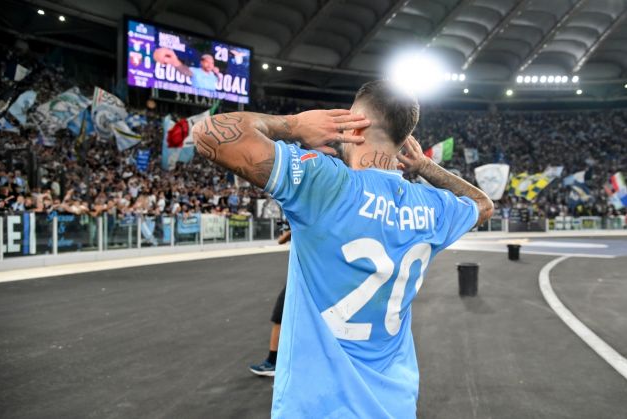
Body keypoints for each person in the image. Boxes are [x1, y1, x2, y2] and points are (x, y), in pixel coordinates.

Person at [193, 80, 493, 418]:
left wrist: (295, 125)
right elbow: (482, 204)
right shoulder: (432, 207)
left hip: (318, 407)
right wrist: (425, 166)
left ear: (355, 120)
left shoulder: (324, 183)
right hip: (394, 406)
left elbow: (207, 133)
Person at [249, 226, 292, 377]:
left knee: (279, 317)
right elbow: (281, 241)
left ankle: (273, 362)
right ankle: (273, 361)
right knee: (279, 318)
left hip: (302, 279)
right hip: (302, 279)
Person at [153, 48, 221, 90]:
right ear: (202, 62)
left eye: (212, 63)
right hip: (197, 98)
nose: (210, 65)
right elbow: (185, 71)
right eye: (207, 62)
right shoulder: (196, 71)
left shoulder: (213, 74)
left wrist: (217, 73)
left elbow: (218, 80)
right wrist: (174, 61)